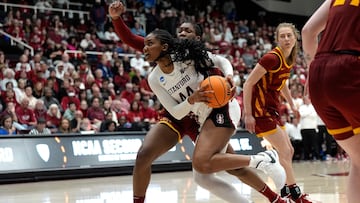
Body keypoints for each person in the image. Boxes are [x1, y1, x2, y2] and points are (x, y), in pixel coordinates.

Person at [109, 2, 290, 203]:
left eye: (187, 30)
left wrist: (229, 76)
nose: (182, 33)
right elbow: (135, 41)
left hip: (207, 114)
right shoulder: (161, 66)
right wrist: (117, 19)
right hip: (180, 112)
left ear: (197, 38)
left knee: (217, 168)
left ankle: (274, 195)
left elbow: (222, 61)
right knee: (145, 155)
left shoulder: (195, 55)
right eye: (180, 30)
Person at [243, 23, 313, 202]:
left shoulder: (289, 57)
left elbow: (282, 84)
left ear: (295, 37)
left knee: (288, 150)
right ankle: (295, 194)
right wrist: (248, 114)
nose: (286, 39)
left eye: (289, 35)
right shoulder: (271, 58)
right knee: (284, 149)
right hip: (260, 110)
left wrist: (292, 106)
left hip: (272, 109)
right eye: (282, 36)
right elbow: (248, 83)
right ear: (277, 39)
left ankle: (284, 192)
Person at [301, 0, 360, 202]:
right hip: (349, 69)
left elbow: (308, 31)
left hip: (318, 73)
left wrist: (311, 69)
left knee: (359, 161)